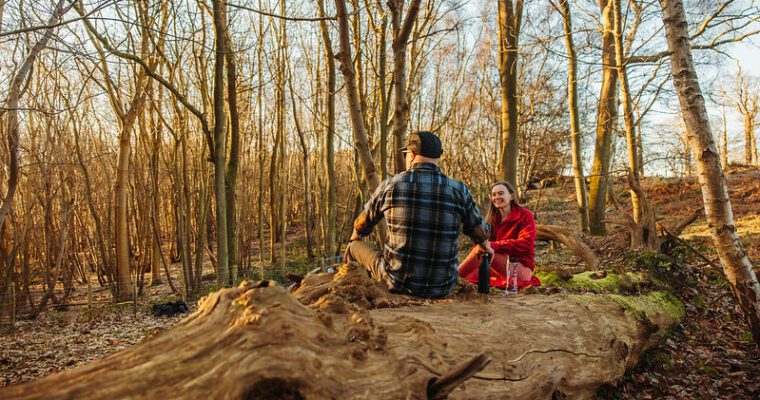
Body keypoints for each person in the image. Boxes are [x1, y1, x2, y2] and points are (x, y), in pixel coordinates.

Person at [344, 131, 493, 298]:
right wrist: (484, 243)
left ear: (412, 155)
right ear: (438, 157)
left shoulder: (390, 186)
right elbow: (481, 231)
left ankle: (352, 287)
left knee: (354, 245)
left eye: (406, 154)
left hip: (397, 283)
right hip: (443, 287)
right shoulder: (459, 190)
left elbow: (362, 224)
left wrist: (354, 238)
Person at [457, 181, 541, 290]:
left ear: (511, 196)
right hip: (495, 267)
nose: (497, 197)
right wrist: (486, 246)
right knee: (466, 278)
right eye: (494, 195)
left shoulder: (525, 215)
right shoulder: (491, 219)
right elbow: (483, 245)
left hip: (519, 268)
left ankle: (451, 276)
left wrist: (493, 245)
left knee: (481, 250)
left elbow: (526, 244)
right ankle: (452, 277)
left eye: (501, 193)